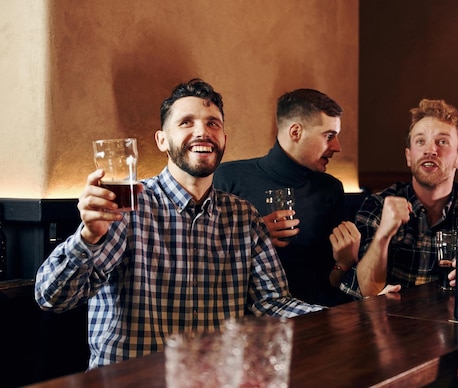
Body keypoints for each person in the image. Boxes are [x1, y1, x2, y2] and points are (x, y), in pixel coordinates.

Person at [34, 79, 323, 369]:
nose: (202, 132)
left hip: (211, 379)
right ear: (162, 140)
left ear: (224, 139)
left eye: (213, 124)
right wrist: (88, 237)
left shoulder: (243, 216)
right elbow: (52, 298)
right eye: (186, 122)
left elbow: (272, 303)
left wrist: (343, 318)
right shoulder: (128, 208)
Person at [214, 88, 359, 306]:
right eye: (329, 136)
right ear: (295, 132)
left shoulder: (330, 189)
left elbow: (328, 285)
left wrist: (344, 264)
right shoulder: (228, 178)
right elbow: (204, 269)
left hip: (316, 318)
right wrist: (253, 240)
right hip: (248, 321)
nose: (337, 147)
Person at [340, 98, 458, 298]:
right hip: (396, 324)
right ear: (409, 156)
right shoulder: (377, 205)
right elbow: (368, 291)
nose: (430, 150)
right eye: (420, 141)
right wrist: (383, 235)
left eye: (442, 142)